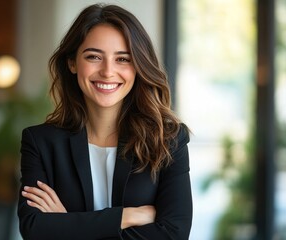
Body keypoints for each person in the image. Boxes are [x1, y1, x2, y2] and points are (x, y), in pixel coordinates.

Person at [18, 3, 192, 240]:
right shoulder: (41, 142)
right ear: (72, 62)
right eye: (94, 57)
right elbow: (35, 229)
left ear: (138, 66)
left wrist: (67, 224)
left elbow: (173, 234)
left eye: (123, 59)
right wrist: (127, 216)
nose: (108, 71)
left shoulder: (168, 139)